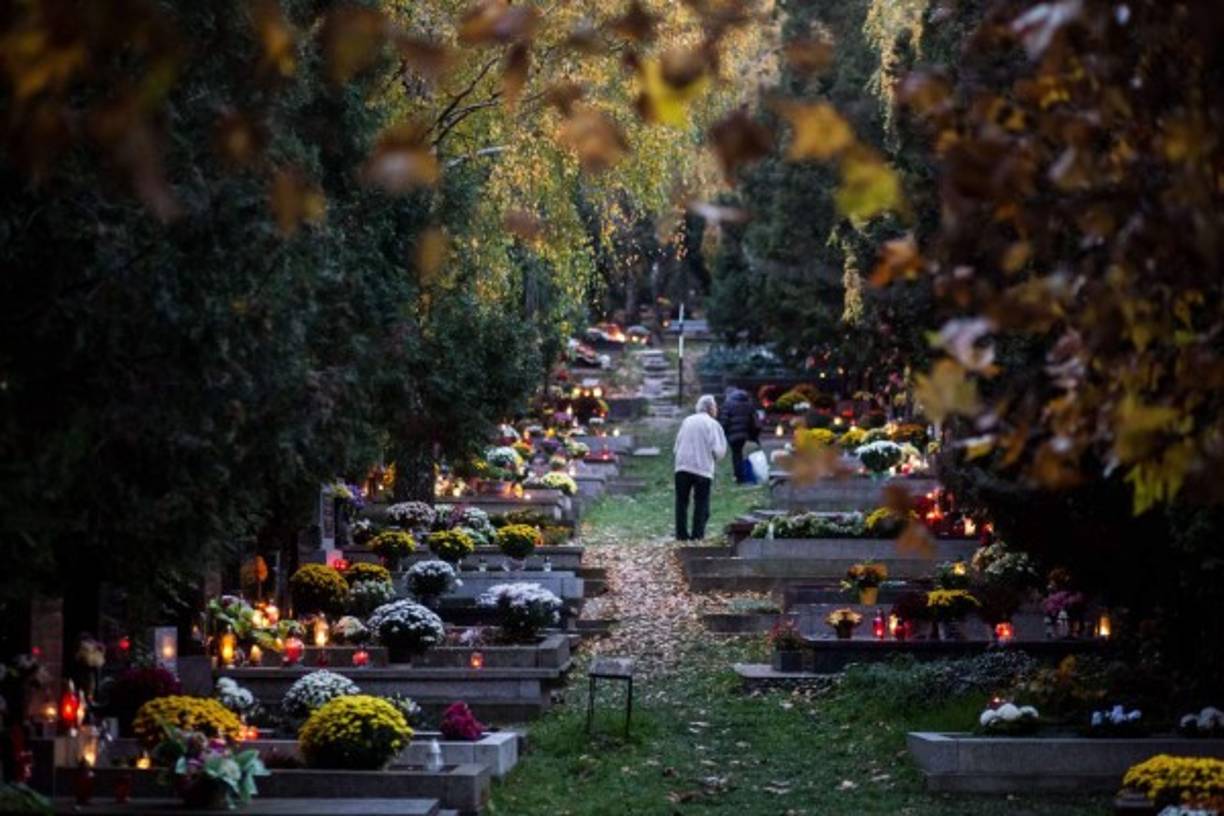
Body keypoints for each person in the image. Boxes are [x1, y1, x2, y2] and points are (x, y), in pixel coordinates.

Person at [673, 394, 727, 541]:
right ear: (710, 408)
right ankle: (698, 535)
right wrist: (714, 458)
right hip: (702, 468)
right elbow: (719, 450)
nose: (716, 409)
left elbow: (677, 444)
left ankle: (681, 534)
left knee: (681, 502)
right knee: (701, 503)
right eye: (715, 407)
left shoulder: (687, 421)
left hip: (682, 466)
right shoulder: (712, 424)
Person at [720, 386, 759, 483]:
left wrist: (721, 433)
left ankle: (739, 478)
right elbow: (754, 420)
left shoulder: (728, 404)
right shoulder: (749, 404)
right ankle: (751, 475)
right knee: (748, 455)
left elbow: (724, 421)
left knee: (736, 456)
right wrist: (754, 435)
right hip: (747, 435)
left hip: (734, 435)